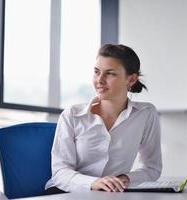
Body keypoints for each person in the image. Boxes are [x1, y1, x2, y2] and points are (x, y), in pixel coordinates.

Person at [44, 44, 162, 194]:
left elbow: (152, 168)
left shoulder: (146, 113)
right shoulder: (72, 115)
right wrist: (94, 182)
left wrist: (126, 178)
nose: (99, 80)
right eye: (96, 72)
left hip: (114, 195)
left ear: (131, 80)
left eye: (110, 73)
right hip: (71, 194)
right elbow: (60, 172)